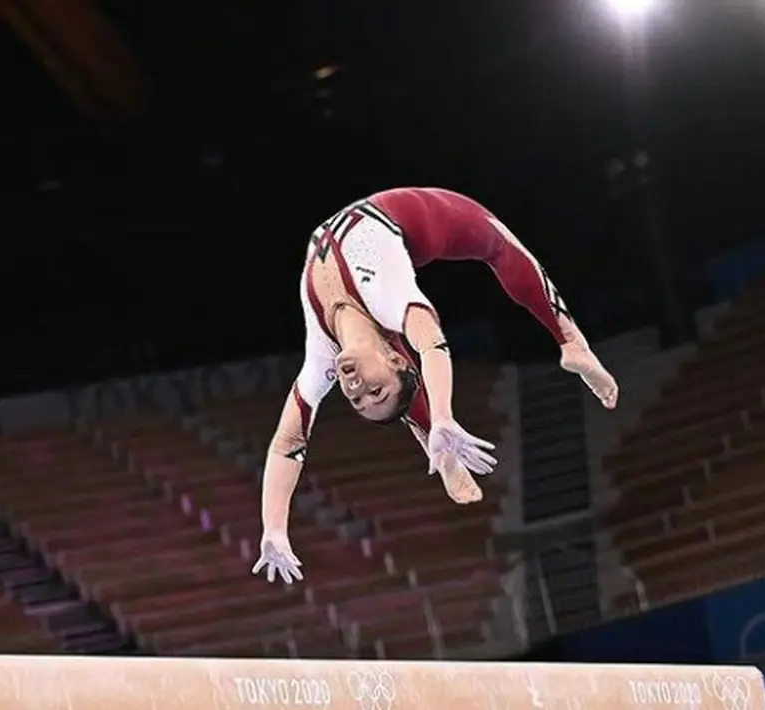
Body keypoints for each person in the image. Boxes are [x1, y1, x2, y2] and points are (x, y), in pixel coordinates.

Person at [251, 187, 619, 584]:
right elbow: (431, 343)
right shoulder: (389, 298)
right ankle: (571, 342)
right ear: (395, 359)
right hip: (423, 219)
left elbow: (287, 444)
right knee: (497, 243)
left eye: (356, 400)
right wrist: (442, 416)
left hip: (380, 246)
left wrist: (274, 528)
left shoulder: (321, 358)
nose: (355, 389)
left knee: (400, 381)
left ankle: (436, 445)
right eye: (375, 392)